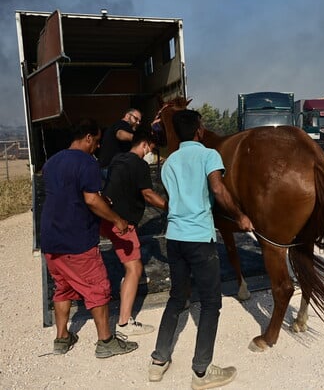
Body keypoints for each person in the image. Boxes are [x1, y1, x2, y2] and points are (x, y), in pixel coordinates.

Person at [148, 109, 254, 389]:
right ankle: (201, 372)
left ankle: (158, 361)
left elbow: (173, 198)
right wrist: (241, 216)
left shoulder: (169, 162)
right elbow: (218, 190)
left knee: (176, 298)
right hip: (199, 238)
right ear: (199, 130)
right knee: (210, 303)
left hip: (174, 238)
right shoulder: (209, 155)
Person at [40, 118, 138, 358]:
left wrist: (101, 201)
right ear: (87, 138)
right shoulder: (87, 162)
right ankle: (106, 341)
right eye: (96, 141)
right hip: (76, 238)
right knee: (97, 287)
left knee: (62, 288)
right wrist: (117, 219)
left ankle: (62, 338)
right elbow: (91, 200)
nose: (97, 146)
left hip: (51, 238)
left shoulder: (52, 162)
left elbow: (67, 195)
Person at [100, 129, 168, 335]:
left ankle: (128, 292)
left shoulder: (118, 159)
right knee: (134, 268)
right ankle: (124, 323)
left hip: (106, 217)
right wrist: (172, 206)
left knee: (130, 264)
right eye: (152, 148)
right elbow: (148, 194)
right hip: (122, 222)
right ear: (145, 144)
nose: (151, 153)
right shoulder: (140, 164)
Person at [98, 108, 142, 178]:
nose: (138, 123)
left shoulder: (115, 125)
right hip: (112, 169)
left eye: (139, 121)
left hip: (106, 168)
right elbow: (120, 134)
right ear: (127, 116)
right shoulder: (124, 124)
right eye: (136, 119)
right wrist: (139, 139)